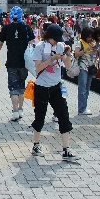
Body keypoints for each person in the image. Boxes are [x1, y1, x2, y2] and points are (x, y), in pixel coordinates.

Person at [30, 24, 79, 161]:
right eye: (54, 39)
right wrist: (52, 59)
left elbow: (68, 67)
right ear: (48, 37)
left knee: (63, 115)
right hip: (41, 86)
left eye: (58, 39)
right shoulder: (39, 47)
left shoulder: (60, 46)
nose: (57, 42)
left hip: (56, 86)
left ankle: (66, 149)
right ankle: (36, 144)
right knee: (40, 116)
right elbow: (38, 67)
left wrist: (66, 55)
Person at [0, 6, 35, 121]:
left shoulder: (6, 28)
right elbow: (32, 43)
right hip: (24, 62)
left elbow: (0, 43)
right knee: (21, 86)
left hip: (11, 61)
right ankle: (20, 110)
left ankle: (15, 111)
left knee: (13, 87)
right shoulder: (26, 27)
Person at [73, 27, 97, 115]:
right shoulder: (79, 43)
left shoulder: (93, 43)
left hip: (91, 68)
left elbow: (96, 55)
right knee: (82, 88)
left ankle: (84, 107)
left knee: (87, 88)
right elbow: (76, 54)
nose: (90, 39)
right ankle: (81, 108)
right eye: (88, 37)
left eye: (91, 37)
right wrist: (85, 50)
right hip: (83, 67)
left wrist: (95, 51)